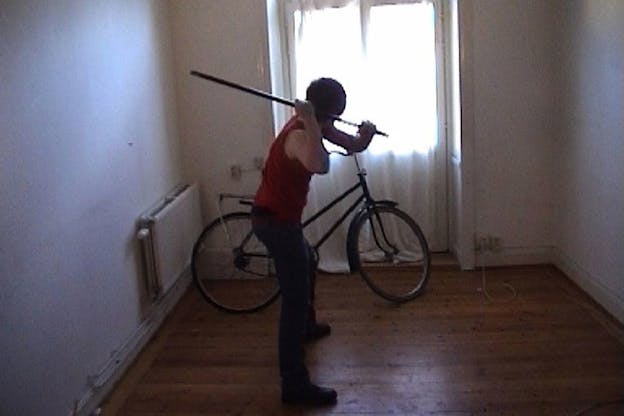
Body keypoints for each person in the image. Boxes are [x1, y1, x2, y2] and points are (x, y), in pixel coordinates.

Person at [251, 77, 377, 406]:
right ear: (326, 111)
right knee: (292, 305)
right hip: (275, 222)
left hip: (282, 219)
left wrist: (365, 135)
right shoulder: (299, 134)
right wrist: (309, 122)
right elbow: (320, 164)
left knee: (308, 261)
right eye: (334, 115)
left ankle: (306, 327)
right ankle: (293, 384)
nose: (334, 122)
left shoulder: (317, 125)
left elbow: (351, 146)